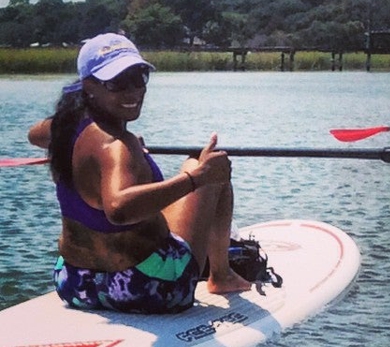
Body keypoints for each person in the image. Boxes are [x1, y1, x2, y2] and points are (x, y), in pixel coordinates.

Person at [27, 33, 251, 314]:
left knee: (179, 189)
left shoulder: (63, 126)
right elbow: (118, 208)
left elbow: (34, 134)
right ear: (89, 86)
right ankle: (221, 276)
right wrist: (197, 178)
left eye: (139, 77)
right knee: (204, 166)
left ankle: (219, 271)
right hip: (146, 289)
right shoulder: (116, 145)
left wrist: (79, 103)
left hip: (75, 284)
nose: (133, 91)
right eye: (117, 83)